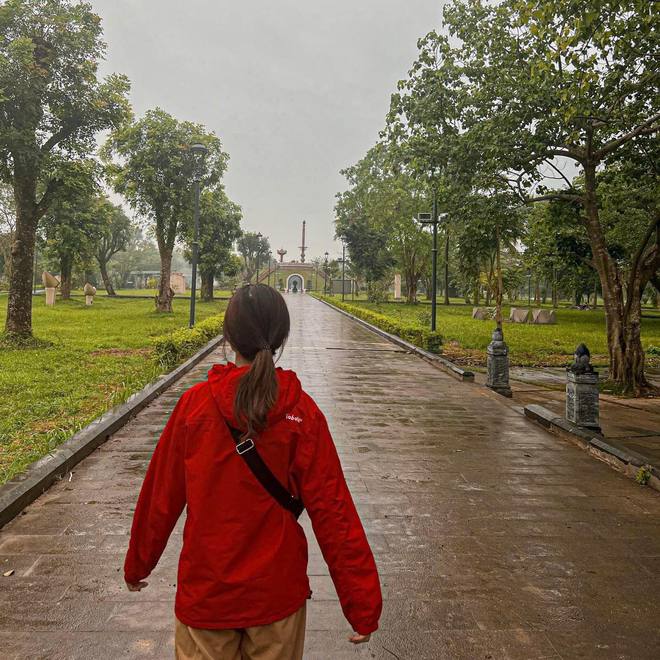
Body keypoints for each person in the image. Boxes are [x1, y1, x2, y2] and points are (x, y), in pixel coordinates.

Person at [124, 284, 382, 659]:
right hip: (276, 596)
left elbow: (159, 497)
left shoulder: (194, 408)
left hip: (207, 595)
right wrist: (363, 606)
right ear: (280, 337)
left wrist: (138, 565)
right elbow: (334, 513)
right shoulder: (300, 413)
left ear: (228, 336)